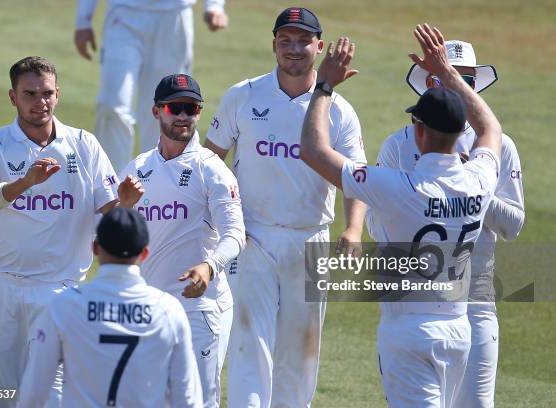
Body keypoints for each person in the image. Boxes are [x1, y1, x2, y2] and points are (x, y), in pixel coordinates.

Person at [299, 24, 503, 408]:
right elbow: (491, 127)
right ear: (461, 130)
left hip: (408, 331)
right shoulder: (480, 180)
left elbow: (312, 150)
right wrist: (448, 73)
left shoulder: (398, 188)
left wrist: (324, 86)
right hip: (459, 329)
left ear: (420, 133)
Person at [204, 7, 367, 407]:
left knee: (301, 353)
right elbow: (210, 161)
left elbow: (355, 177)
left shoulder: (339, 111)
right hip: (251, 237)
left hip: (309, 239)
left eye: (303, 41)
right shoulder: (243, 95)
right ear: (273, 43)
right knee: (249, 346)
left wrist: (353, 230)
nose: (294, 49)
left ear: (320, 46)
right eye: (285, 41)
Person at [366, 40, 525, 408]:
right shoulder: (398, 145)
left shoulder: (498, 149)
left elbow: (513, 225)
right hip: (411, 299)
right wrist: (428, 196)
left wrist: (473, 186)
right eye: (441, 79)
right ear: (428, 85)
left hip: (476, 300)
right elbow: (376, 225)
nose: (453, 86)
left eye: (461, 79)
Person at [0, 56, 119, 407]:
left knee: (55, 396)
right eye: (30, 94)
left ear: (58, 94)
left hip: (60, 288)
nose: (41, 102)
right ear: (12, 97)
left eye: (47, 93)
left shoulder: (84, 145)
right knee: (2, 396)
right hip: (2, 286)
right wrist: (25, 183)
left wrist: (124, 204)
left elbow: (109, 215)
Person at [117, 74, 245, 407]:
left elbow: (235, 234)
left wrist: (210, 266)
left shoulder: (212, 170)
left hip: (199, 306)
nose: (183, 116)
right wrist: (124, 208)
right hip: (148, 306)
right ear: (157, 111)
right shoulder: (138, 168)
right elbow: (112, 238)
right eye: (176, 107)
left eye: (192, 108)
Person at [17, 207, 203, 407]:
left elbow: (34, 392)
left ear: (96, 247)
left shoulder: (63, 306)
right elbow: (187, 399)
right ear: (145, 253)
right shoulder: (169, 311)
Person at [74, 0, 229, 173]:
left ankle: (157, 182)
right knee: (112, 105)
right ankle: (111, 186)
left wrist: (214, 6)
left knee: (166, 109)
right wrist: (83, 20)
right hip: (123, 15)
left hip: (173, 17)